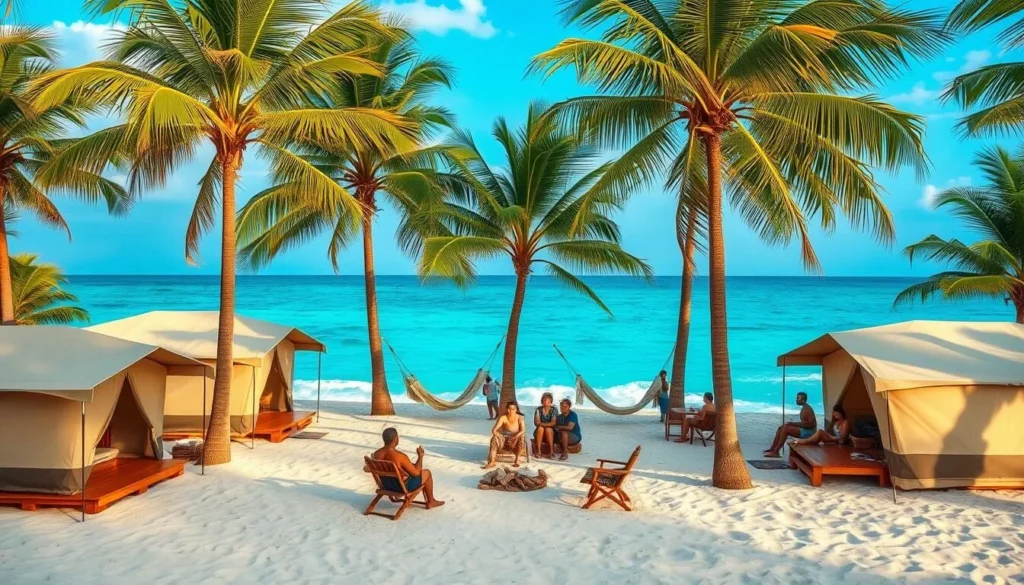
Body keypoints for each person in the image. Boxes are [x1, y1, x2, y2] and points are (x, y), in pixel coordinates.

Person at [371, 427, 444, 509]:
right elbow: (416, 473)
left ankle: (431, 501)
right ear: (395, 439)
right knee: (427, 472)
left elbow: (368, 468)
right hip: (400, 488)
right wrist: (420, 456)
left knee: (409, 471)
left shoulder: (375, 454)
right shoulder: (399, 456)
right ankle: (431, 501)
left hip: (386, 485)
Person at [764, 392, 817, 458]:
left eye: (798, 398)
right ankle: (773, 448)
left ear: (803, 400)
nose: (796, 400)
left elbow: (810, 425)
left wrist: (793, 424)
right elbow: (805, 424)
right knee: (781, 427)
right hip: (805, 429)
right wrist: (792, 424)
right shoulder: (804, 408)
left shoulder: (807, 409)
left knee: (785, 429)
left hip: (809, 432)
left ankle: (776, 452)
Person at [483, 401, 526, 469]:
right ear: (507, 409)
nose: (510, 410)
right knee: (494, 438)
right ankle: (492, 461)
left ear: (516, 410)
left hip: (515, 440)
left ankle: (517, 460)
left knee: (522, 436)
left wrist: (515, 436)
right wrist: (499, 436)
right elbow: (494, 430)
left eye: (513, 409)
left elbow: (523, 430)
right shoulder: (503, 418)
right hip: (504, 439)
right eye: (509, 408)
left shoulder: (520, 417)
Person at [533, 392, 558, 458]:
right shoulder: (538, 409)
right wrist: (546, 424)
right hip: (539, 431)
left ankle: (551, 452)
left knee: (548, 429)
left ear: (551, 402)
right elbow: (536, 423)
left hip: (551, 432)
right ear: (542, 401)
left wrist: (542, 424)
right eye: (544, 400)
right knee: (541, 428)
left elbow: (553, 423)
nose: (546, 403)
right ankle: (538, 451)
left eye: (548, 401)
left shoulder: (554, 409)